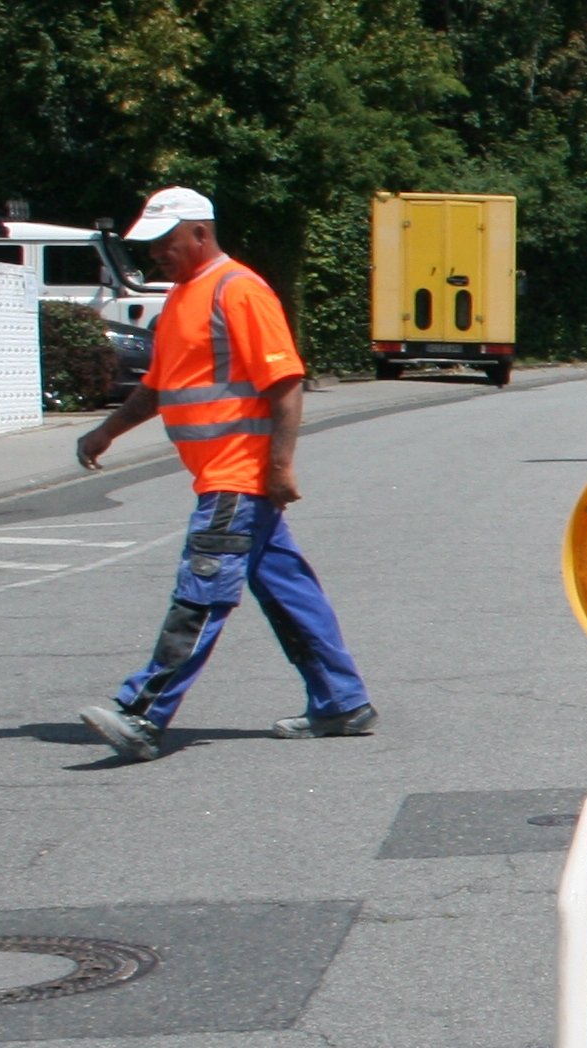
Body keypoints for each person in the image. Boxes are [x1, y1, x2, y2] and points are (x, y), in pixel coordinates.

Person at [72, 185, 374, 762]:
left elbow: (284, 381)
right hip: (224, 477)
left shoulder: (238, 290)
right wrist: (106, 431)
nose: (157, 253)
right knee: (290, 595)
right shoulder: (184, 298)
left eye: (165, 242)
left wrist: (281, 466)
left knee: (202, 595)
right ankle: (342, 702)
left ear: (200, 233)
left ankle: (143, 714)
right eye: (152, 245)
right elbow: (157, 388)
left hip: (238, 476)